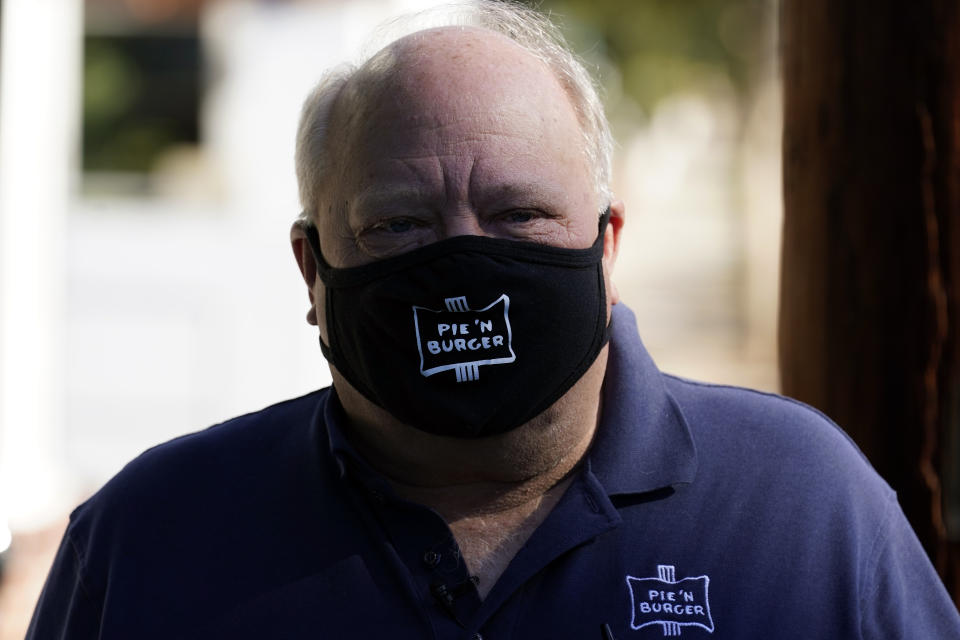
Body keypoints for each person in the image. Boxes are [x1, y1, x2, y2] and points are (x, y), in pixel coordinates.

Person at [26, 2, 960, 638]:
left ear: (608, 244)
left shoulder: (804, 511)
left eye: (520, 215)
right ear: (313, 268)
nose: (464, 262)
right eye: (398, 225)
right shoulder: (153, 538)